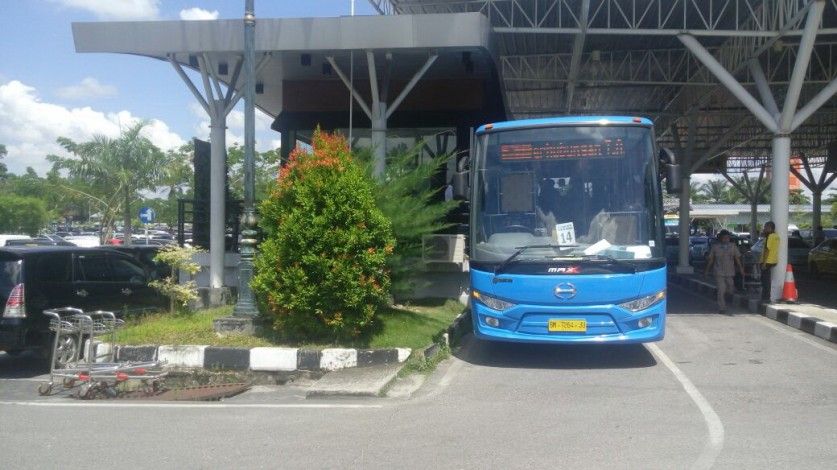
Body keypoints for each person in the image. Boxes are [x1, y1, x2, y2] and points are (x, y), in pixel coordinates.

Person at [704, 230, 745, 314]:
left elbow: (737, 258)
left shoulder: (733, 246)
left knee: (730, 288)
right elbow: (711, 260)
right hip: (719, 271)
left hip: (730, 271)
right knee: (721, 289)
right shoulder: (715, 247)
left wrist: (741, 269)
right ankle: (722, 307)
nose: (726, 239)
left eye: (728, 238)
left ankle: (719, 294)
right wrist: (706, 271)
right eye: (724, 238)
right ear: (720, 238)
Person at [760, 221, 779, 302]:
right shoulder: (776, 236)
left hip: (767, 261)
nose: (764, 229)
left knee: (765, 280)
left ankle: (766, 297)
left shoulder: (769, 237)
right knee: (766, 279)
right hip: (773, 260)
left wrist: (764, 263)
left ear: (770, 228)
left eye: (766, 227)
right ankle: (766, 296)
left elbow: (767, 250)